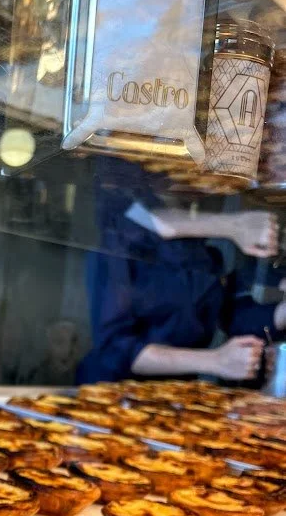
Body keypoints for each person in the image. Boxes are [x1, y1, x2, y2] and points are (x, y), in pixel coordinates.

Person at [77, 159, 285, 384]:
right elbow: (117, 349)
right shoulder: (120, 235)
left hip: (177, 393)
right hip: (110, 390)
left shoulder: (203, 254)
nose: (206, 182)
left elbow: (233, 316)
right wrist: (215, 360)